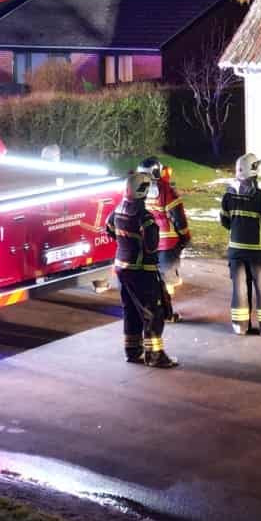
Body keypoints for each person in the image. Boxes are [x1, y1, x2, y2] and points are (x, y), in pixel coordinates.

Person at [104, 169, 177, 369]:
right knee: (153, 312)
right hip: (142, 270)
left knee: (131, 311)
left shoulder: (117, 210)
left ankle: (132, 350)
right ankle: (155, 355)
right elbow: (152, 246)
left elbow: (108, 229)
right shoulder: (145, 217)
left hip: (122, 267)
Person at [222, 152, 261, 336]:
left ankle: (240, 325)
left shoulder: (228, 197)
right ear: (254, 170)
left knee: (239, 288)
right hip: (259, 253)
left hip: (236, 252)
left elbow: (226, 222)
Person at [138, 156, 191, 321]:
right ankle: (166, 313)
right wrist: (185, 237)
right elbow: (179, 219)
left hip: (146, 243)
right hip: (167, 244)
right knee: (165, 283)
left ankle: (150, 312)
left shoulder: (136, 191)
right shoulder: (167, 191)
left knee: (149, 280)